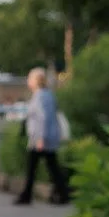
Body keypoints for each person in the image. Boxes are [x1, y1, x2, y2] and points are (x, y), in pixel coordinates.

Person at [14, 65, 70, 206]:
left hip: (40, 139)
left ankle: (27, 195)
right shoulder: (47, 95)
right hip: (47, 137)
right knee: (51, 166)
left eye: (30, 78)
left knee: (34, 167)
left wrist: (40, 138)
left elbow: (43, 118)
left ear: (36, 80)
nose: (28, 81)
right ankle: (62, 193)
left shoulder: (40, 97)